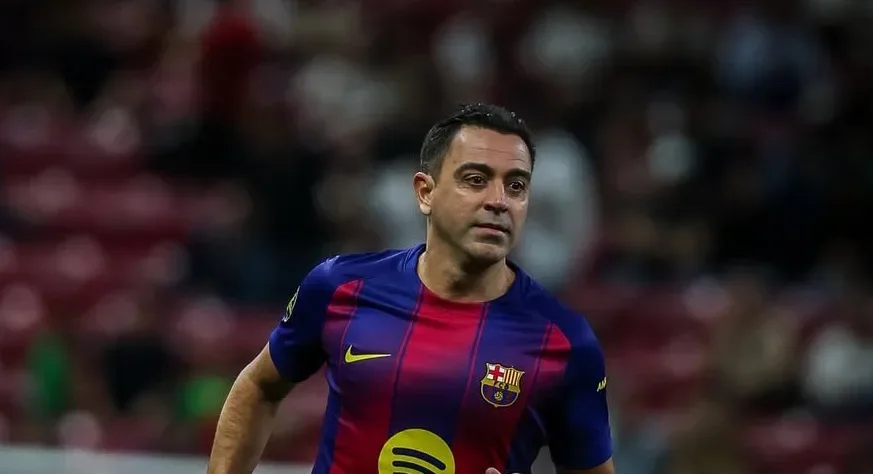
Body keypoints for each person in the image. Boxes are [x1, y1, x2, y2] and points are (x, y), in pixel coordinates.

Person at [207, 103, 616, 474]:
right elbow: (259, 386)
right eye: (476, 179)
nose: (499, 201)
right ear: (425, 192)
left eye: (516, 186)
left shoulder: (565, 343)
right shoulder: (340, 287)